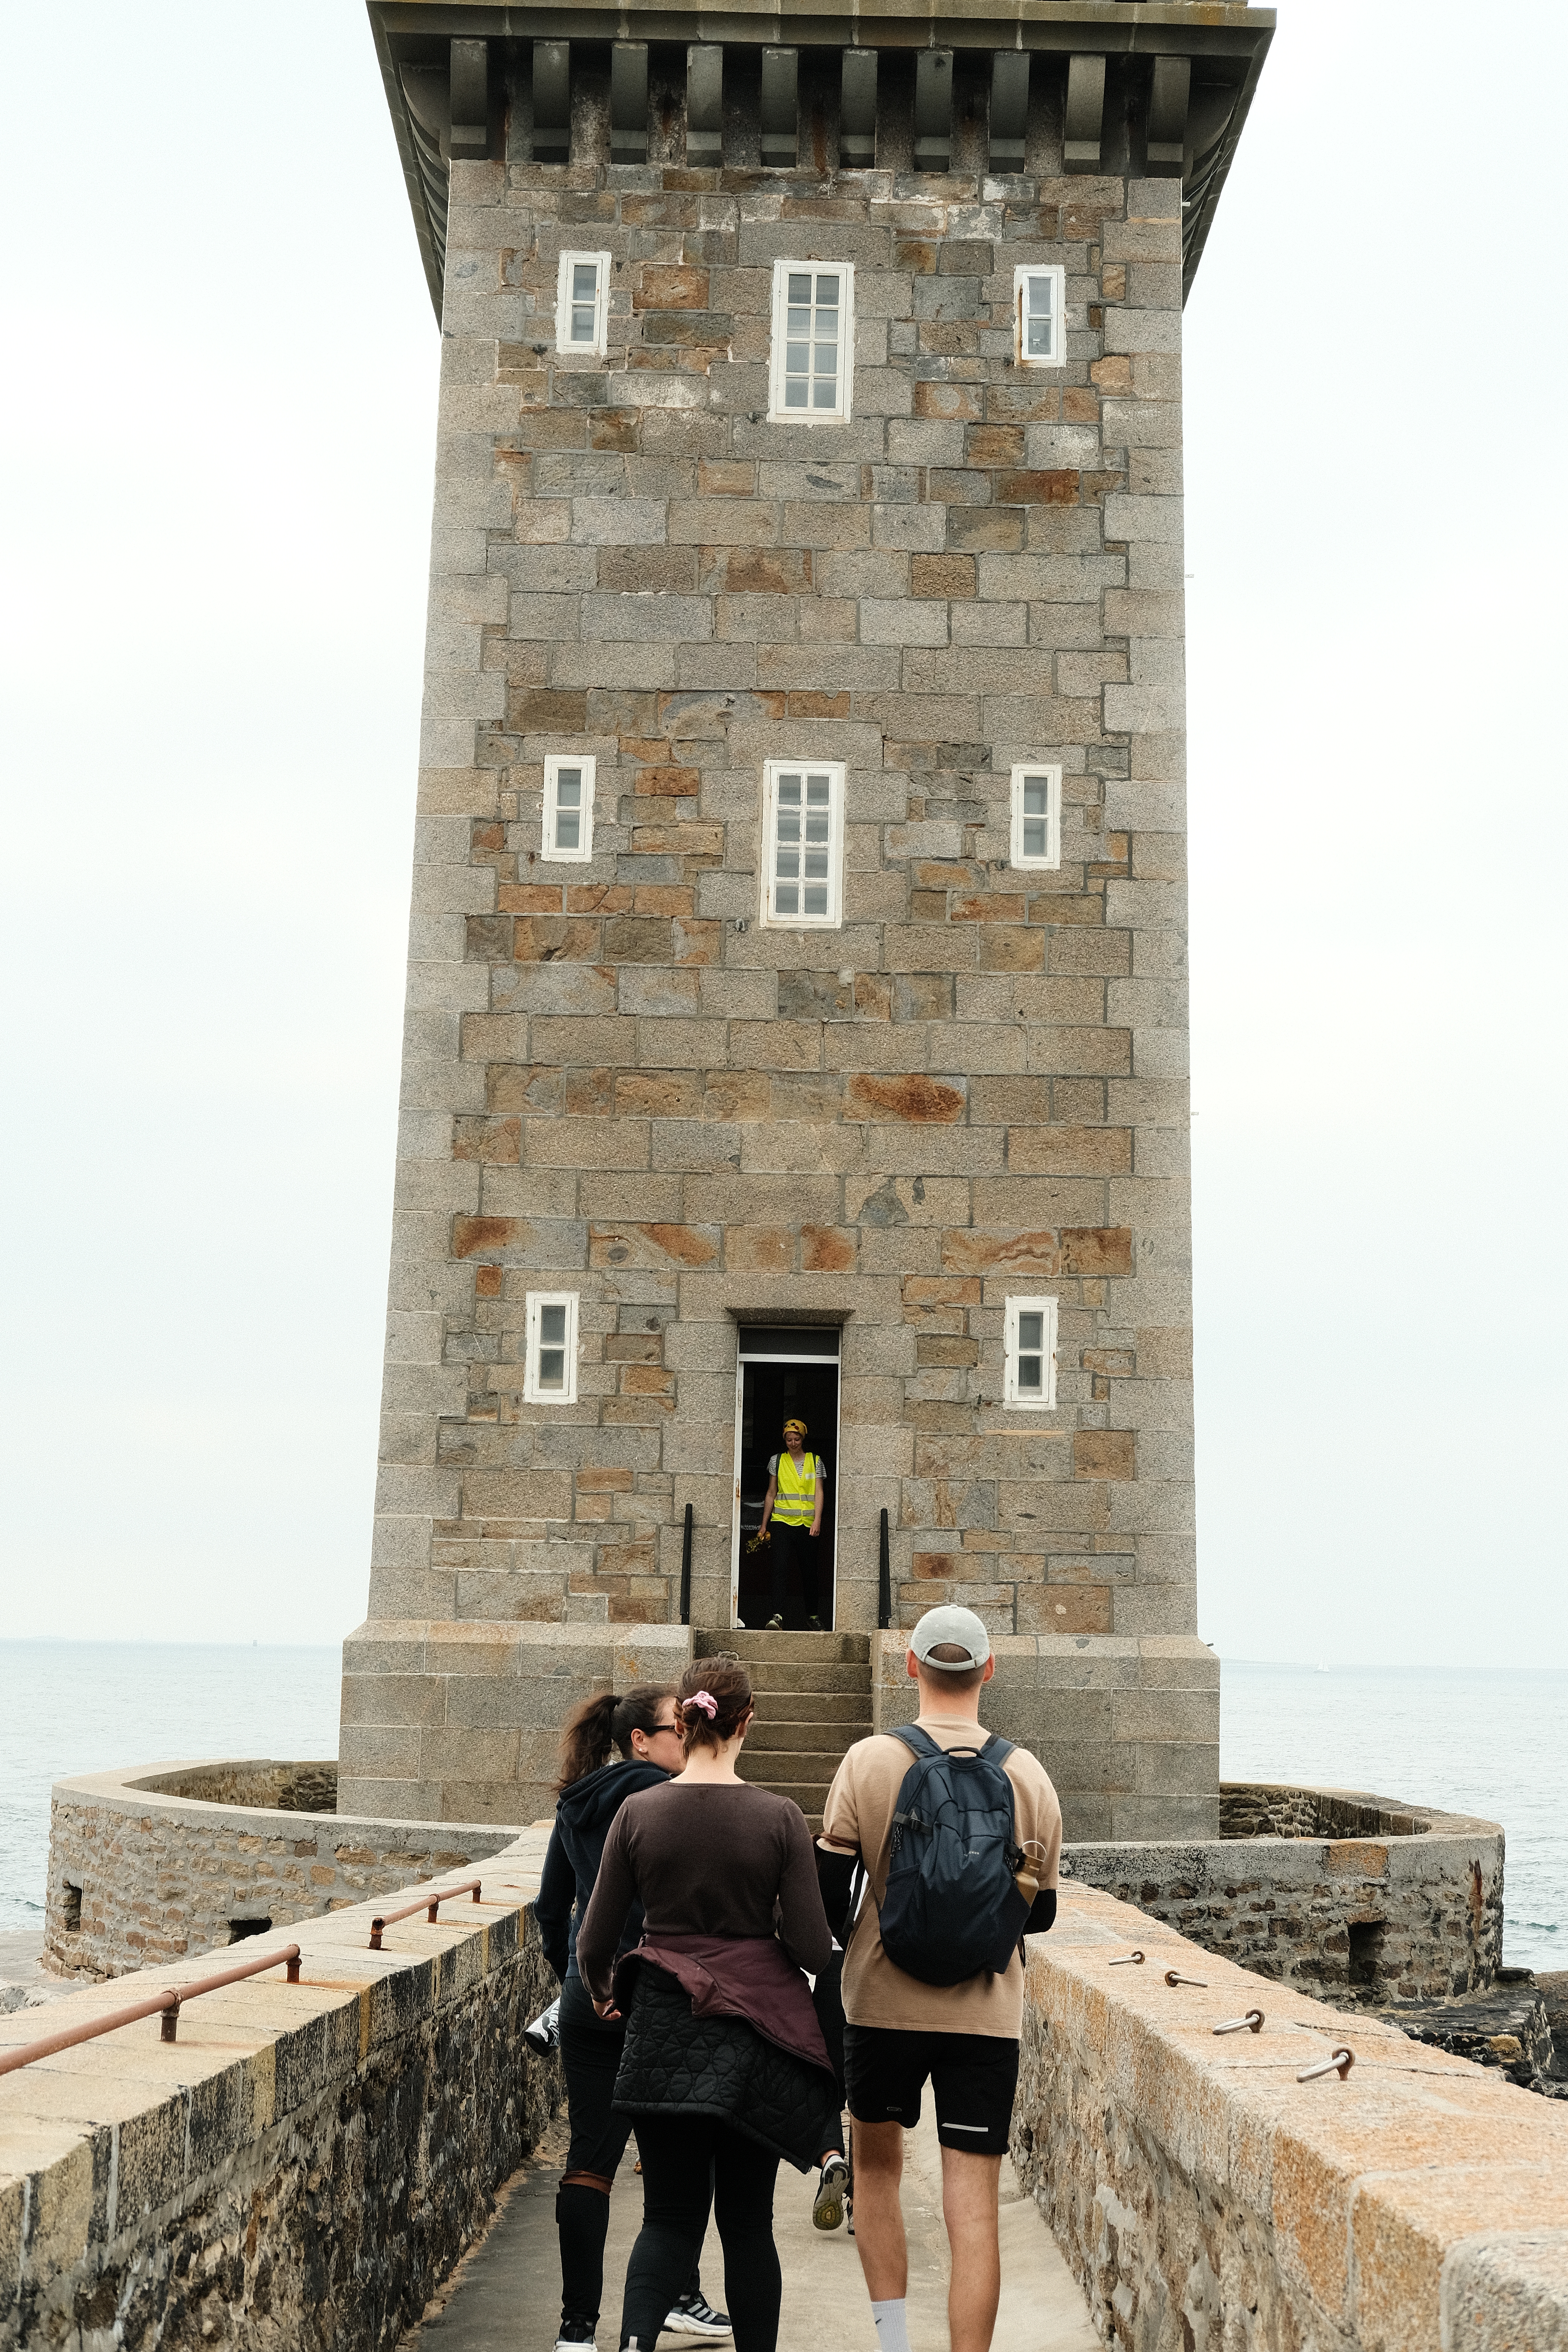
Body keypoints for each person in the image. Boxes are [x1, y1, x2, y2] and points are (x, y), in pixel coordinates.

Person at [575, 1655, 844, 2352]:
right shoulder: (779, 1817)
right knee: (748, 2225)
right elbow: (815, 1947)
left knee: (667, 2217)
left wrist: (608, 1998)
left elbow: (595, 1940)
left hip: (664, 2031)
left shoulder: (639, 1812)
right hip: (754, 2039)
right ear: (746, 1721)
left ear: (687, 1722)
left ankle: (634, 2344)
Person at [815, 1606, 1062, 2352]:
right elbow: (1039, 1915)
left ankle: (894, 2345)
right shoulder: (1027, 1776)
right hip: (983, 2019)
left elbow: (829, 1891)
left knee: (880, 2177)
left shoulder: (868, 1761)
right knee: (973, 2205)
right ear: (987, 1671)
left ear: (910, 1668)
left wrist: (872, 1932)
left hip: (882, 2006)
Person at [535, 1686, 733, 2352]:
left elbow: (550, 1907)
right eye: (676, 1727)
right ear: (641, 1740)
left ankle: (576, 2333)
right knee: (679, 2162)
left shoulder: (577, 1802)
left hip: (589, 1998)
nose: (689, 1736)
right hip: (659, 1997)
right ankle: (680, 2296)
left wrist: (574, 1978)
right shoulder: (671, 1801)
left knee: (589, 2163)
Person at [756, 1417, 827, 1630]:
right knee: (780, 1570)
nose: (793, 1443)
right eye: (789, 1440)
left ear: (803, 1438)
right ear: (785, 1440)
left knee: (809, 1572)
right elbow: (771, 1493)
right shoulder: (776, 1461)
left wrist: (818, 1521)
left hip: (807, 1525)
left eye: (797, 1439)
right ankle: (776, 1616)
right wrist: (764, 1525)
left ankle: (813, 1616)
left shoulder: (815, 1460)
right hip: (782, 1522)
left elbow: (819, 1492)